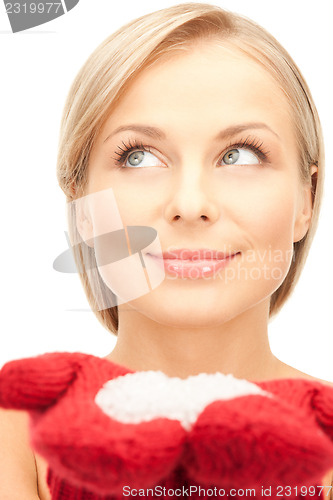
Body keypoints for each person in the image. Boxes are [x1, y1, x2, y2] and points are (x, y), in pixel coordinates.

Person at [0, 3, 332, 498]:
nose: (191, 204)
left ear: (306, 200)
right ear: (82, 204)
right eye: (138, 157)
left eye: (239, 154)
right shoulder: (15, 430)